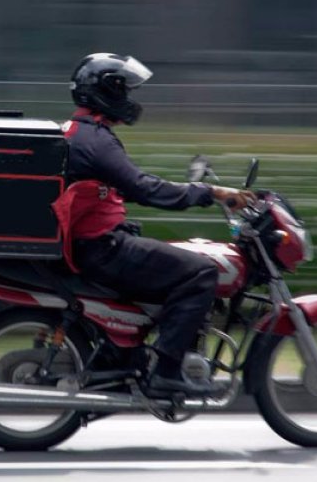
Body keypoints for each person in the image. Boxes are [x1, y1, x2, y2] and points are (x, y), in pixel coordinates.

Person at [55, 53, 253, 397]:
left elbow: (111, 189)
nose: (128, 99)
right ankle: (165, 370)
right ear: (102, 92)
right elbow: (143, 188)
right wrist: (211, 193)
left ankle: (131, 351)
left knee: (167, 260)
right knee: (200, 273)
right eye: (122, 90)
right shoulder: (96, 140)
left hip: (92, 244)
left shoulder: (79, 132)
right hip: (102, 249)